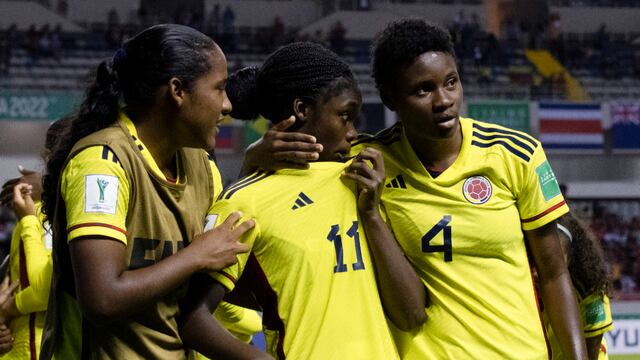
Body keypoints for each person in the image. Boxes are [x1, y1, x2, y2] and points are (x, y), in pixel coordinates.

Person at [351, 19, 587, 358]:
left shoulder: (516, 155)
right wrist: (257, 158)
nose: (443, 100)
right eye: (423, 89)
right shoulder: (371, 161)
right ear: (390, 98)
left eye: (451, 82)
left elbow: (553, 273)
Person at [38, 24, 270, 359]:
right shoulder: (102, 163)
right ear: (177, 90)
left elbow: (217, 252)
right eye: (218, 89)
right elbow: (102, 298)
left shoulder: (201, 164)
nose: (228, 105)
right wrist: (195, 256)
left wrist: (253, 171)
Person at [207, 41, 426, 359]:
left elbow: (412, 315)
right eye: (345, 116)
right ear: (302, 110)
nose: (353, 133)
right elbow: (193, 315)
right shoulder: (247, 199)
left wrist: (373, 213)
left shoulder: (364, 179)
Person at [0, 119, 68, 359]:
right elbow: (17, 281)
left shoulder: (35, 214)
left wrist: (7, 309)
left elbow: (43, 291)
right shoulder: (36, 210)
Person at [547, 213, 613, 360]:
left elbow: (591, 353)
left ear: (570, 257)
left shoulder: (589, 289)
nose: (549, 263)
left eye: (558, 257)